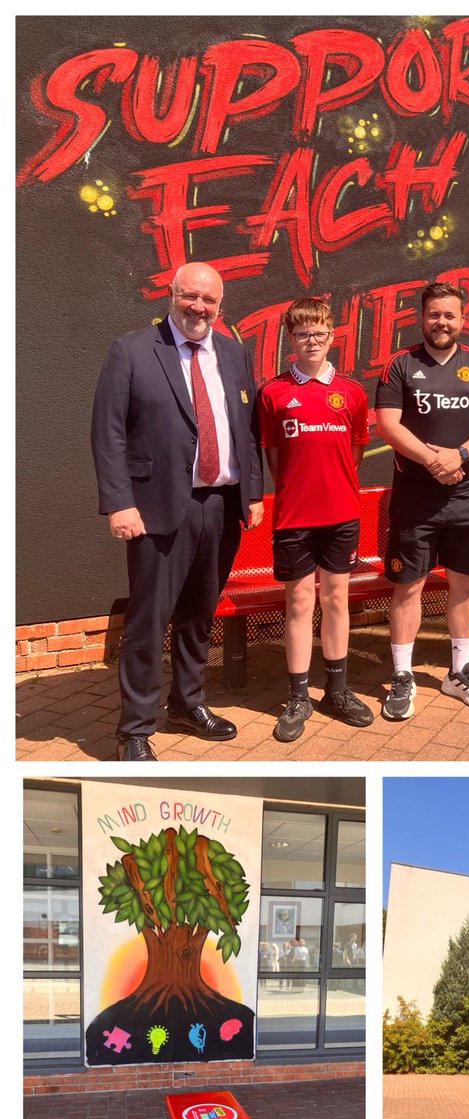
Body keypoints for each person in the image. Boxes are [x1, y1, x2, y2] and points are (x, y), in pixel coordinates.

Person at [91, 261, 263, 761]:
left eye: (209, 300)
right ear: (171, 294)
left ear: (220, 306)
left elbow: (245, 428)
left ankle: (188, 703)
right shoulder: (132, 350)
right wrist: (119, 502)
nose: (198, 307)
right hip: (157, 507)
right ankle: (135, 730)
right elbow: (108, 433)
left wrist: (251, 491)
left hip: (220, 504)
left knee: (198, 615)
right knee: (149, 621)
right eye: (190, 296)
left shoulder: (232, 352)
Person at [375, 281, 469, 719]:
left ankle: (460, 670)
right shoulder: (401, 364)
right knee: (408, 586)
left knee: (464, 582)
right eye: (434, 314)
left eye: (450, 315)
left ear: (463, 319)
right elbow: (388, 425)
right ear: (422, 317)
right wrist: (433, 459)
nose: (442, 322)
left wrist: (461, 455)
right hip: (416, 496)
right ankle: (402, 675)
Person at [257, 297, 373, 741]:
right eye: (303, 334)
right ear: (291, 338)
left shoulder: (353, 392)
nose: (312, 341)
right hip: (294, 516)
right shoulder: (273, 393)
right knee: (300, 604)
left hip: (341, 513)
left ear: (331, 336)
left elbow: (355, 453)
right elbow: (273, 456)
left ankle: (338, 691)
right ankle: (299, 695)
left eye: (320, 334)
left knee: (338, 601)